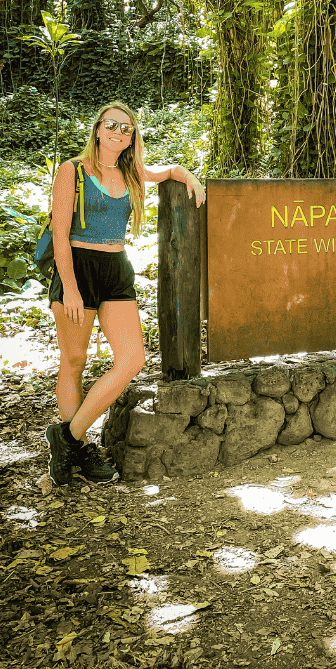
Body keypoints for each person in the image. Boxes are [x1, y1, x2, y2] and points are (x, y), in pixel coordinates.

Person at [45, 101, 205, 485]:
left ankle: (66, 437)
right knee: (75, 359)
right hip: (77, 268)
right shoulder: (73, 170)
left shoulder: (132, 171)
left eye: (127, 128)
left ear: (133, 136)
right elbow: (59, 233)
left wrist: (187, 175)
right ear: (98, 129)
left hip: (117, 270)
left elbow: (165, 171)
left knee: (132, 358)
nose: (119, 132)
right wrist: (68, 286)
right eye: (112, 125)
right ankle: (78, 451)